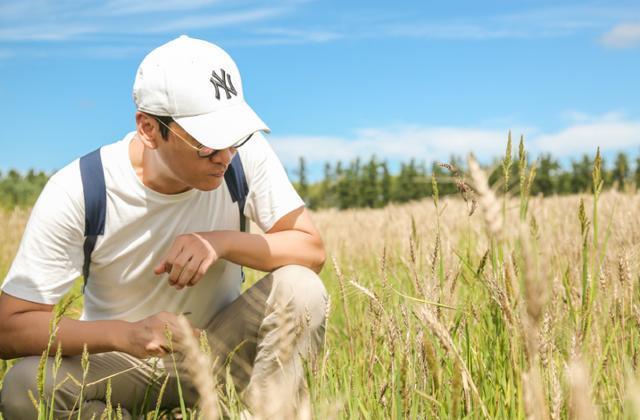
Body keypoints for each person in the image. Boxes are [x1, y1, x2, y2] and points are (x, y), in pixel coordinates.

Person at [0, 35, 327, 419]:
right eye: (207, 142)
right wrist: (126, 334)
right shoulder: (80, 189)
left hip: (220, 351)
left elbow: (312, 251)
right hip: (120, 363)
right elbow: (9, 327)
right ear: (149, 129)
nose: (224, 156)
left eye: (234, 137)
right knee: (24, 386)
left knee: (301, 288)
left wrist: (219, 242)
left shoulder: (244, 155)